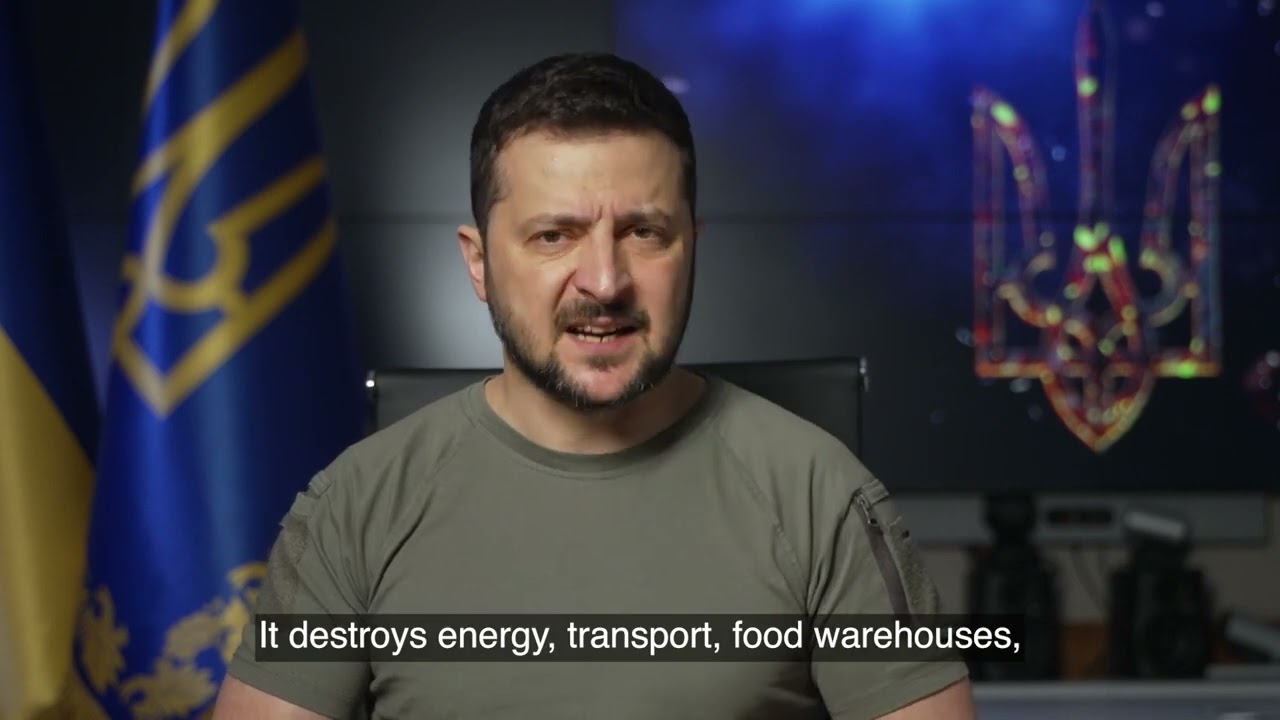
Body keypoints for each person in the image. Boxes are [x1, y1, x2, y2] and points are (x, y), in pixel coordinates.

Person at [213, 52, 976, 719]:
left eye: (645, 233)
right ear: (478, 262)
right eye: (555, 235)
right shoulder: (354, 508)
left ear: (692, 248)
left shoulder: (823, 498)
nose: (605, 282)